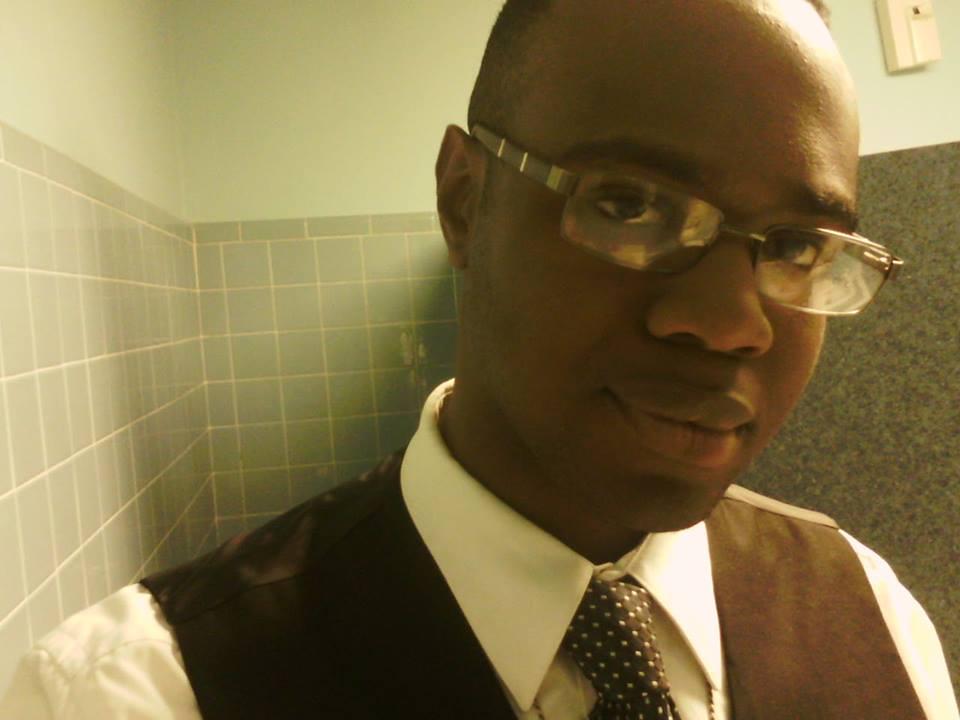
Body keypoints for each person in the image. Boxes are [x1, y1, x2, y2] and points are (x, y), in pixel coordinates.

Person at [2, 0, 957, 718]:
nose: (729, 324)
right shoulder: (135, 693)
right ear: (465, 201)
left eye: (798, 247)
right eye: (629, 204)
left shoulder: (870, 614)